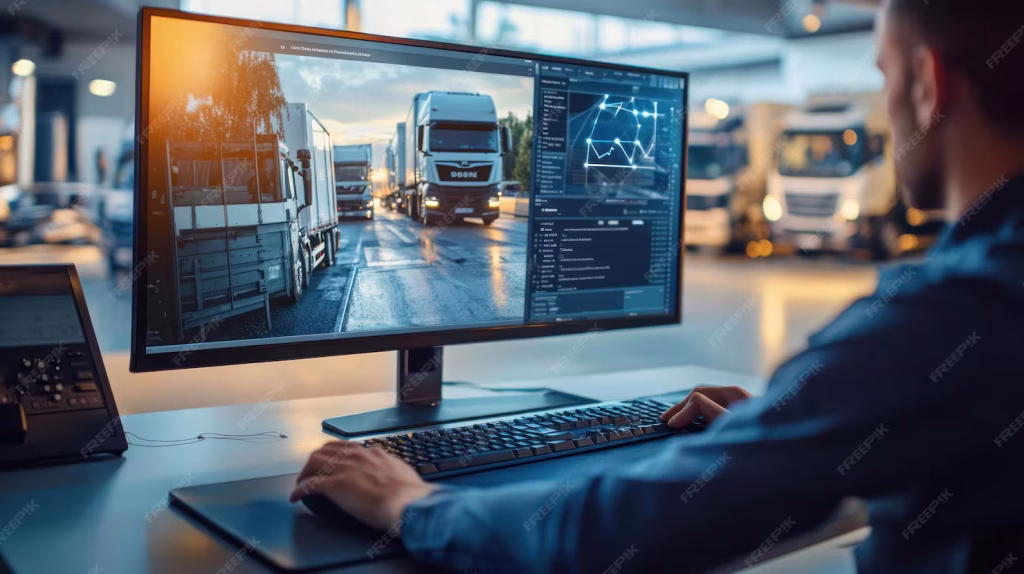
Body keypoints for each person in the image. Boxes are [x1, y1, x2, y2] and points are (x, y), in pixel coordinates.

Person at [291, 1, 1024, 571]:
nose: (889, 97)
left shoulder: (950, 315)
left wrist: (408, 502)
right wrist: (796, 423)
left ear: (927, 85)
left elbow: (601, 541)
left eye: (884, 72)